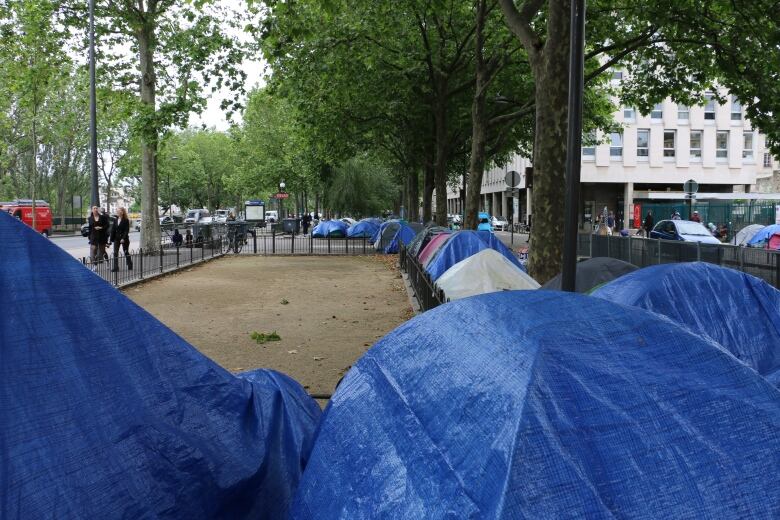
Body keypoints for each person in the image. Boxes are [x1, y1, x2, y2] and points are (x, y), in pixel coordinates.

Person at [110, 207, 133, 272]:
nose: (117, 212)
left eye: (119, 211)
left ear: (122, 212)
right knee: (115, 253)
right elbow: (113, 230)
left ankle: (130, 265)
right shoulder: (115, 220)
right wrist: (111, 239)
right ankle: (116, 267)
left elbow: (126, 230)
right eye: (117, 211)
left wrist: (123, 238)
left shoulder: (126, 220)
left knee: (126, 252)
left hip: (124, 239)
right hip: (116, 239)